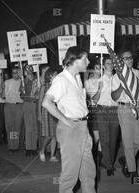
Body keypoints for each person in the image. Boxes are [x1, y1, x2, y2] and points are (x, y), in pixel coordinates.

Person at [42, 46, 96, 193]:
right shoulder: (61, 80)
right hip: (71, 129)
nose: (88, 61)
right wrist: (65, 120)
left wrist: (86, 132)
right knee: (70, 175)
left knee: (89, 173)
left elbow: (79, 106)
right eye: (85, 58)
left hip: (82, 127)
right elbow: (46, 102)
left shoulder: (77, 77)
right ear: (75, 60)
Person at [111, 49, 139, 184]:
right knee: (128, 142)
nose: (129, 60)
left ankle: (126, 160)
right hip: (124, 109)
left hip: (137, 108)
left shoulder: (138, 74)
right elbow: (114, 97)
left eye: (130, 58)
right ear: (121, 61)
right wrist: (121, 86)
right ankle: (133, 170)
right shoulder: (116, 77)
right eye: (126, 58)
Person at [92, 56, 119, 176]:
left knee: (114, 140)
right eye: (108, 63)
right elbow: (94, 100)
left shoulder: (118, 79)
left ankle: (109, 161)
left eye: (112, 63)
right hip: (102, 111)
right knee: (104, 139)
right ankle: (109, 166)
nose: (111, 65)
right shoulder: (98, 80)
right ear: (103, 66)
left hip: (115, 111)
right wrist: (99, 90)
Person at [84, 63, 102, 179]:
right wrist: (100, 89)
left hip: (105, 110)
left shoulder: (107, 79)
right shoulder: (88, 82)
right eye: (96, 68)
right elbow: (92, 99)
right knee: (96, 137)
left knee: (103, 138)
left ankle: (100, 162)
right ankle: (95, 164)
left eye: (100, 68)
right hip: (94, 110)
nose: (98, 70)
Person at [38, 68, 58, 162]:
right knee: (48, 135)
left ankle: (52, 156)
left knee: (55, 135)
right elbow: (40, 102)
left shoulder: (57, 86)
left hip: (55, 111)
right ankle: (42, 151)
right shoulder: (44, 87)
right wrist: (39, 114)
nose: (57, 76)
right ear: (50, 76)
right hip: (46, 112)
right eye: (55, 74)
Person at [4, 66, 24, 151]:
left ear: (19, 73)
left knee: (17, 126)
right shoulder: (7, 82)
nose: (15, 74)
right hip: (9, 106)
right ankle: (11, 145)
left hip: (19, 106)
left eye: (16, 72)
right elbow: (3, 95)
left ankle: (15, 145)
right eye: (13, 72)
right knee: (10, 126)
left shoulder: (22, 82)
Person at [21, 64, 39, 157]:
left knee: (35, 127)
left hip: (35, 105)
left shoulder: (37, 79)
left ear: (33, 69)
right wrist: (23, 94)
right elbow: (21, 94)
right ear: (25, 70)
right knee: (28, 127)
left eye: (30, 68)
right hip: (27, 104)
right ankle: (28, 148)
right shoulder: (23, 80)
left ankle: (34, 148)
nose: (29, 70)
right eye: (27, 68)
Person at [0, 72, 5, 145]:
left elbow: (1, 95)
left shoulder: (3, 83)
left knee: (0, 123)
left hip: (1, 103)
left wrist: (1, 88)